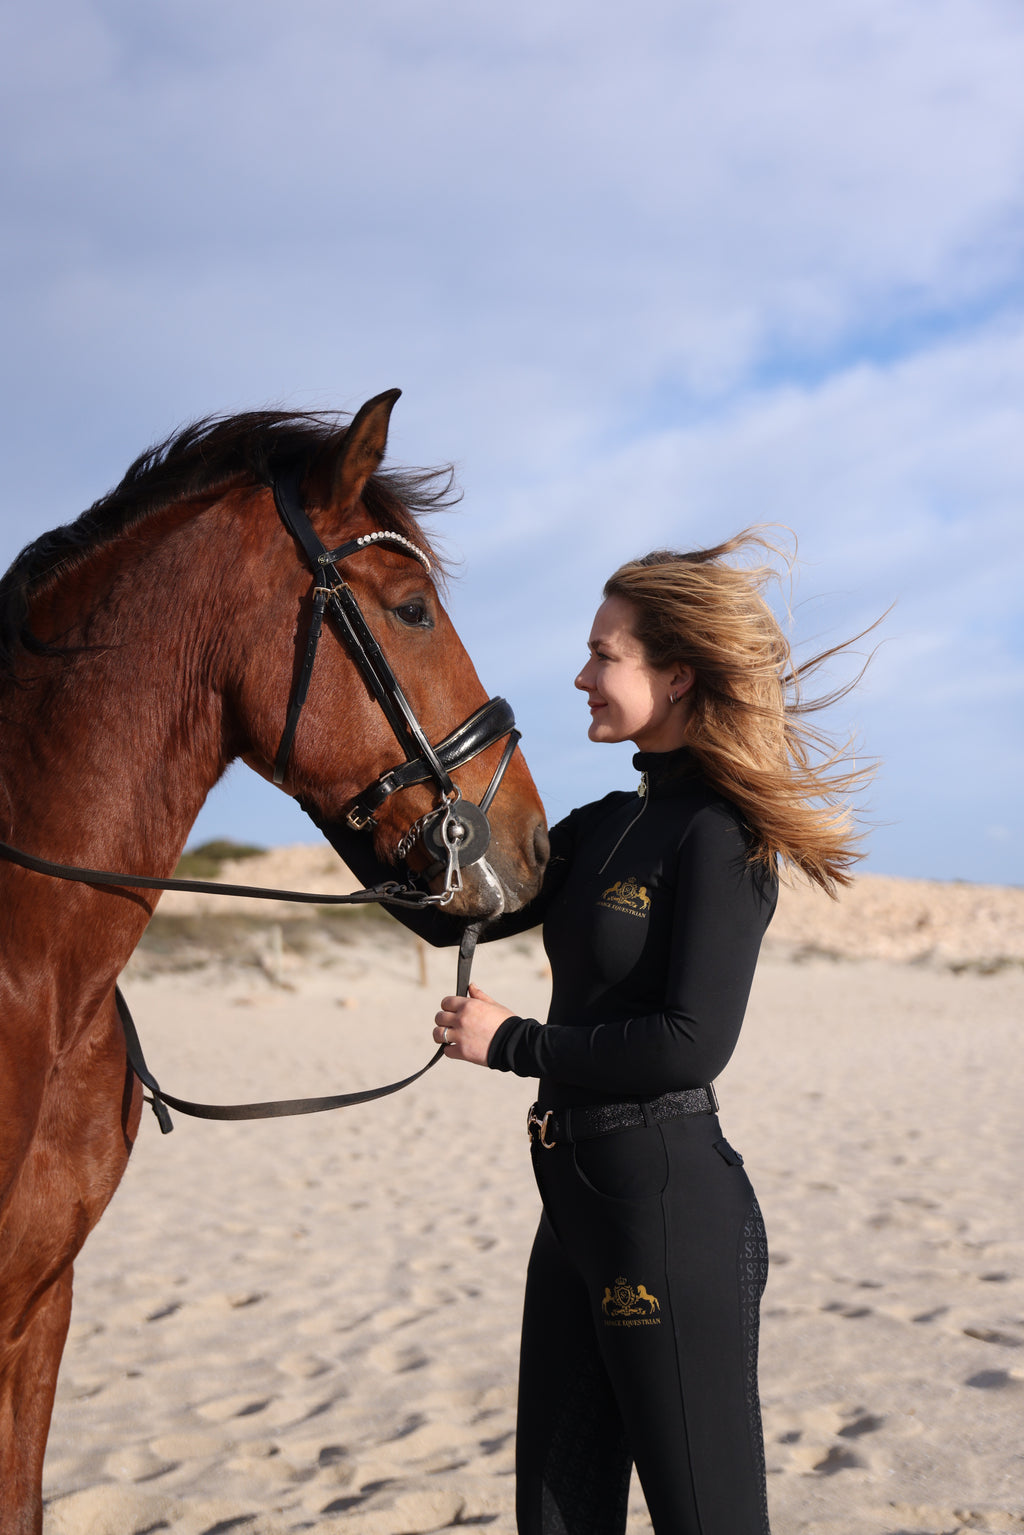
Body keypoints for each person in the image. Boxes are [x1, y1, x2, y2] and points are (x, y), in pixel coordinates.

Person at [311, 530, 870, 1535]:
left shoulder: (721, 835)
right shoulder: (603, 821)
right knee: (557, 1520)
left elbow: (690, 1041)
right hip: (569, 1212)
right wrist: (334, 797)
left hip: (668, 1209)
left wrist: (514, 1041)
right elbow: (451, 910)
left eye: (604, 654)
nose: (580, 674)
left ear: (679, 672)